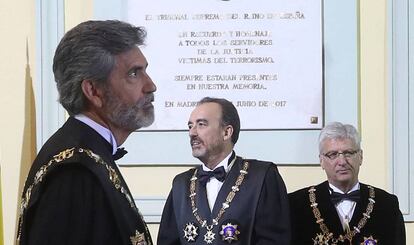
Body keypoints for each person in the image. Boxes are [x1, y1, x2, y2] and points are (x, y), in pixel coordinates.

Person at [17, 20, 156, 245]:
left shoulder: (89, 155)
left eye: (145, 71)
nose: (150, 86)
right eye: (133, 74)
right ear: (93, 90)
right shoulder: (74, 173)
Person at [157, 97, 291, 245]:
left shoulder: (262, 177)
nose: (192, 133)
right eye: (190, 126)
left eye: (201, 124)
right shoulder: (180, 184)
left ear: (226, 132)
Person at [289, 122, 406, 245]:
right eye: (333, 154)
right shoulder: (296, 205)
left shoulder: (387, 204)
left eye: (348, 153)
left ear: (360, 156)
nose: (342, 161)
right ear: (321, 161)